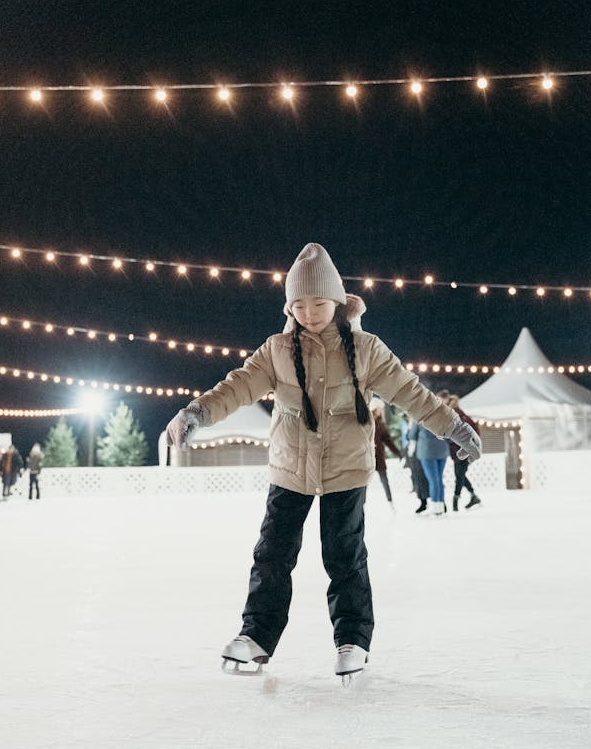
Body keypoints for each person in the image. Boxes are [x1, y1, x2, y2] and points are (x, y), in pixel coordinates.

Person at [166, 242, 481, 681]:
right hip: (289, 469)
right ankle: (256, 637)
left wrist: (454, 427)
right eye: (299, 304)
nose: (309, 312)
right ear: (289, 306)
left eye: (318, 302)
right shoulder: (276, 349)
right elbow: (236, 386)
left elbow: (411, 392)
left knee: (344, 555)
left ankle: (352, 640)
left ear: (336, 301)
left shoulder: (367, 349)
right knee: (272, 554)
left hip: (346, 469)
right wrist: (196, 412)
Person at [444, 393, 482, 511]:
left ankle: (456, 499)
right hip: (465, 450)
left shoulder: (455, 416)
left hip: (460, 451)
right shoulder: (463, 415)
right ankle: (473, 496)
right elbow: (475, 429)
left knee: (459, 475)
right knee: (460, 475)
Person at [408, 416, 450, 516]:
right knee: (438, 479)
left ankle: (435, 506)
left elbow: (412, 435)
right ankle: (440, 506)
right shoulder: (442, 417)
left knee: (433, 480)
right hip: (442, 451)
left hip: (427, 452)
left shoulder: (420, 417)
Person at [371, 403, 401, 507]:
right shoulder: (366, 422)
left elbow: (388, 440)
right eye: (378, 408)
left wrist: (398, 453)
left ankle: (390, 502)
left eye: (381, 409)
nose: (380, 411)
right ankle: (361, 505)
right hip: (367, 457)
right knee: (362, 484)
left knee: (384, 480)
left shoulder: (380, 424)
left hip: (379, 456)